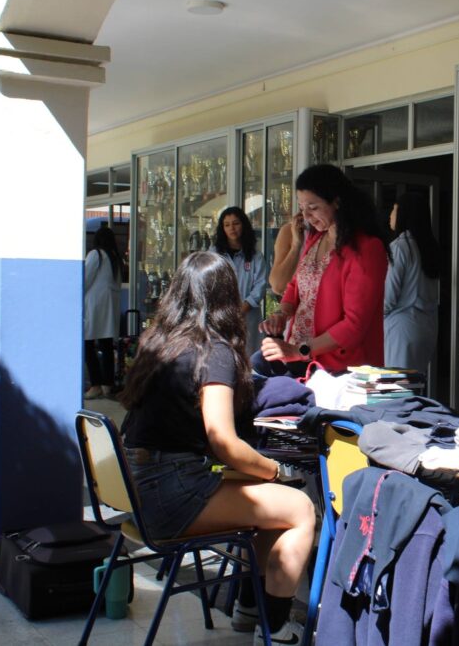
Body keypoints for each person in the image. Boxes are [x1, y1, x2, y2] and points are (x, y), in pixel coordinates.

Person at [118, 251, 314, 645]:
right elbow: (223, 440)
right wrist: (275, 470)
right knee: (300, 508)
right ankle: (276, 630)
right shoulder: (214, 351)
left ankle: (248, 608)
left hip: (136, 489)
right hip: (170, 494)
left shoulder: (158, 341)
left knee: (268, 505)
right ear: (227, 298)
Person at [260, 164, 388, 375]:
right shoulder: (317, 239)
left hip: (339, 368)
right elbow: (295, 286)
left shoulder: (367, 248)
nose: (306, 216)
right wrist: (282, 314)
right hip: (302, 359)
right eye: (302, 208)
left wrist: (299, 350)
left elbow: (354, 326)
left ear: (337, 202)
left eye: (313, 207)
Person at [384, 190, 440, 372]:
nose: (390, 215)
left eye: (394, 210)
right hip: (426, 327)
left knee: (396, 385)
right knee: (415, 384)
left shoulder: (401, 246)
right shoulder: (428, 246)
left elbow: (388, 297)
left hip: (401, 328)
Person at [212, 207, 268, 358]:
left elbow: (260, 285)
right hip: (221, 315)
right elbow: (209, 282)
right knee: (222, 356)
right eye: (227, 225)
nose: (232, 228)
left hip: (248, 317)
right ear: (222, 228)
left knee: (248, 358)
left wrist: (243, 308)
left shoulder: (255, 256)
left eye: (236, 223)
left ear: (243, 225)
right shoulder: (214, 254)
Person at [83, 227, 121, 400]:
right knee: (106, 345)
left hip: (94, 305)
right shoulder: (114, 258)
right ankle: (107, 385)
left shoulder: (95, 255)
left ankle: (95, 384)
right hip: (109, 306)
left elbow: (85, 279)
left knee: (88, 344)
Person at [268, 213, 311, 297]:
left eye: (314, 208)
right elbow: (277, 286)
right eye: (302, 208)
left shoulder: (332, 233)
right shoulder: (289, 231)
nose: (306, 214)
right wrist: (296, 245)